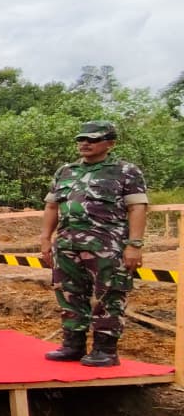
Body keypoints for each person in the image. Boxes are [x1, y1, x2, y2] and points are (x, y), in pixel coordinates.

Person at [40, 121, 148, 367]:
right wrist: (46, 239)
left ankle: (105, 349)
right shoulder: (65, 171)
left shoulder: (125, 171)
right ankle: (72, 345)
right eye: (81, 139)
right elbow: (52, 206)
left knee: (108, 295)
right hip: (67, 244)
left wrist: (135, 245)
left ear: (110, 143)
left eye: (92, 139)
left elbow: (137, 207)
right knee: (68, 294)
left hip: (107, 246)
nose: (85, 143)